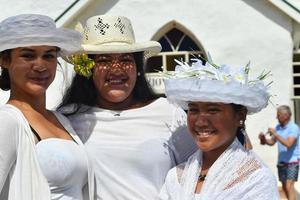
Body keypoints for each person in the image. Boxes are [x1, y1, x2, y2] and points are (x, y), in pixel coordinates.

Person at [58, 15, 197, 200]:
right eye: (104, 60)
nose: (116, 69)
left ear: (138, 68)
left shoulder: (168, 112)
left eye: (126, 59)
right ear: (88, 69)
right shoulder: (67, 119)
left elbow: (194, 176)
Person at [0, 14, 94, 200]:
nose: (40, 66)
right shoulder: (7, 121)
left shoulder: (62, 120)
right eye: (28, 55)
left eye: (49, 56)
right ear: (4, 60)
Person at [159, 58, 279, 199]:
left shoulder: (256, 179)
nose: (200, 121)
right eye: (193, 110)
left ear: (240, 116)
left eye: (213, 110)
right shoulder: (176, 177)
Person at [259, 105, 300, 200]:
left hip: (293, 161)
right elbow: (272, 142)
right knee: (285, 187)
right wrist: (264, 139)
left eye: (278, 115)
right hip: (281, 161)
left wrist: (275, 134)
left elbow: (289, 144)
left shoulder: (294, 128)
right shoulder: (278, 127)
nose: (276, 117)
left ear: (286, 116)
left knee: (289, 186)